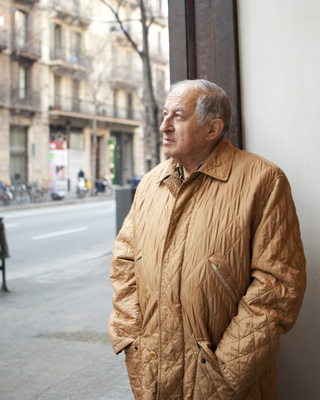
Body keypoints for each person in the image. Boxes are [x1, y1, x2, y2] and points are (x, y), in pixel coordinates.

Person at [109, 79, 306, 399]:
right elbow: (124, 260)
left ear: (213, 129)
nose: (164, 126)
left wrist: (223, 375)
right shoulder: (150, 184)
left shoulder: (263, 181)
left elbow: (278, 287)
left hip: (227, 381)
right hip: (153, 374)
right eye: (163, 115)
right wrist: (132, 339)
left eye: (178, 116)